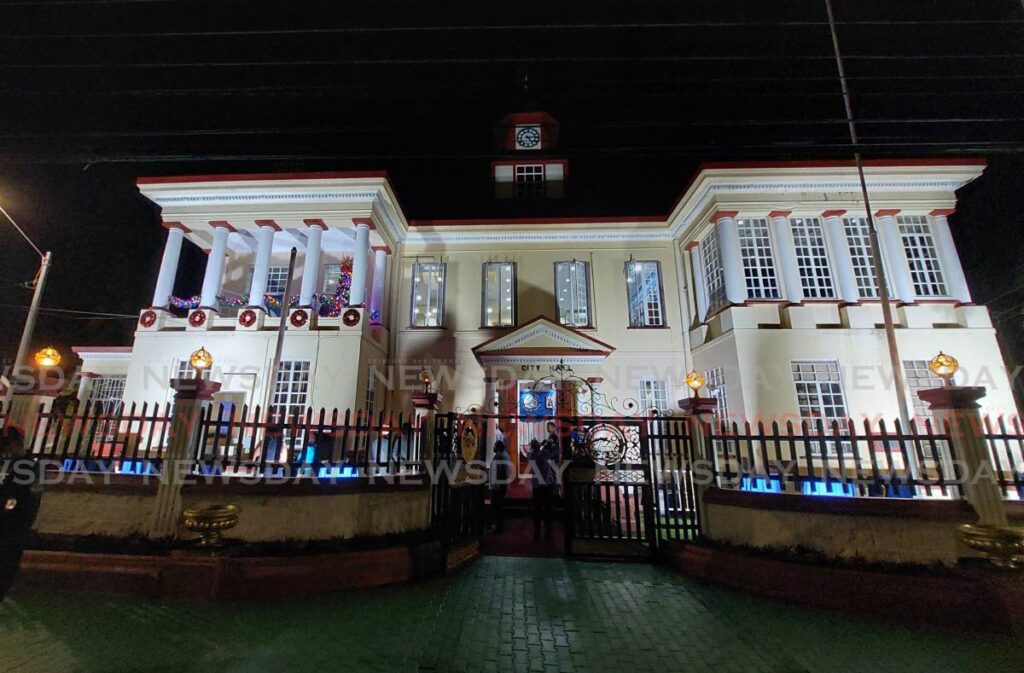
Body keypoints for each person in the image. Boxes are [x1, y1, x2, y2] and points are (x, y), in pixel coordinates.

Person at [527, 438, 558, 541]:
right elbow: (556, 450)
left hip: (536, 488)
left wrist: (541, 445)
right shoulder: (544, 454)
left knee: (537, 511)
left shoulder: (531, 456)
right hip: (546, 488)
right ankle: (548, 534)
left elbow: (531, 452)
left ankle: (536, 533)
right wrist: (548, 444)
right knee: (548, 511)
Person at [488, 428, 512, 534]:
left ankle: (498, 527)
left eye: (494, 445)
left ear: (497, 447)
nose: (492, 447)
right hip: (502, 485)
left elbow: (499, 472)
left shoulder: (499, 456)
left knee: (497, 507)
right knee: (499, 507)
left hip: (498, 486)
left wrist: (496, 485)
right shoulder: (506, 455)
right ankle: (499, 526)